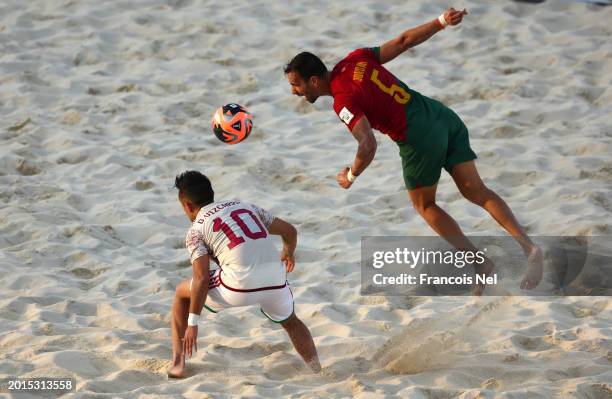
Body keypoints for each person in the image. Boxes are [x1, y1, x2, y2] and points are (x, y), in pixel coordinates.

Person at [284, 7, 543, 292]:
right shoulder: (356, 58)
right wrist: (441, 21)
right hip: (440, 115)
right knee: (476, 191)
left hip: (417, 137)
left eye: (296, 85)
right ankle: (528, 247)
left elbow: (367, 144)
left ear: (314, 81)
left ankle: (480, 264)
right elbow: (404, 40)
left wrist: (351, 175)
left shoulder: (342, 101)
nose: (294, 91)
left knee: (425, 205)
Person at [168, 170, 321, 378]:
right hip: (276, 280)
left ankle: (178, 364)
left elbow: (202, 278)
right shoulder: (246, 207)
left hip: (237, 286)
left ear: (187, 206)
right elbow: (290, 231)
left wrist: (193, 324)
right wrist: (288, 252)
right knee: (292, 322)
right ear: (211, 193)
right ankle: (317, 370)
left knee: (181, 293)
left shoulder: (196, 230)